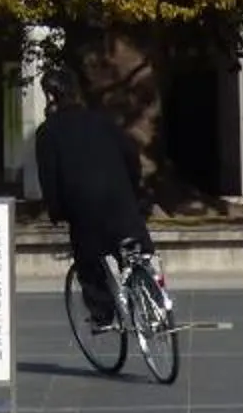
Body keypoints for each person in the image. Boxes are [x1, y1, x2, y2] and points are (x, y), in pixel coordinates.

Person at [31, 65, 152, 329]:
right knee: (136, 247)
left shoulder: (48, 132)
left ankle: (102, 315)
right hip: (121, 199)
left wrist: (57, 211)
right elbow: (131, 154)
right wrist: (133, 189)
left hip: (85, 207)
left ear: (50, 96)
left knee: (89, 260)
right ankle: (154, 297)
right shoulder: (103, 121)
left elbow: (50, 178)